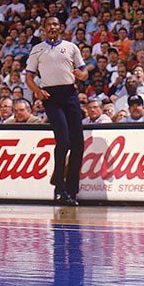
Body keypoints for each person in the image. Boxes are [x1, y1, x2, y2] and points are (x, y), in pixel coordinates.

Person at [26, 15, 88, 206]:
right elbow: (29, 77)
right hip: (51, 97)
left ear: (60, 27)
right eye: (49, 24)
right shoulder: (37, 50)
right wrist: (37, 91)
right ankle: (58, 187)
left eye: (55, 24)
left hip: (70, 94)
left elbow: (84, 72)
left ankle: (72, 191)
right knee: (63, 141)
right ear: (44, 29)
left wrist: (82, 74)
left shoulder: (71, 47)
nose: (52, 27)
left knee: (78, 143)